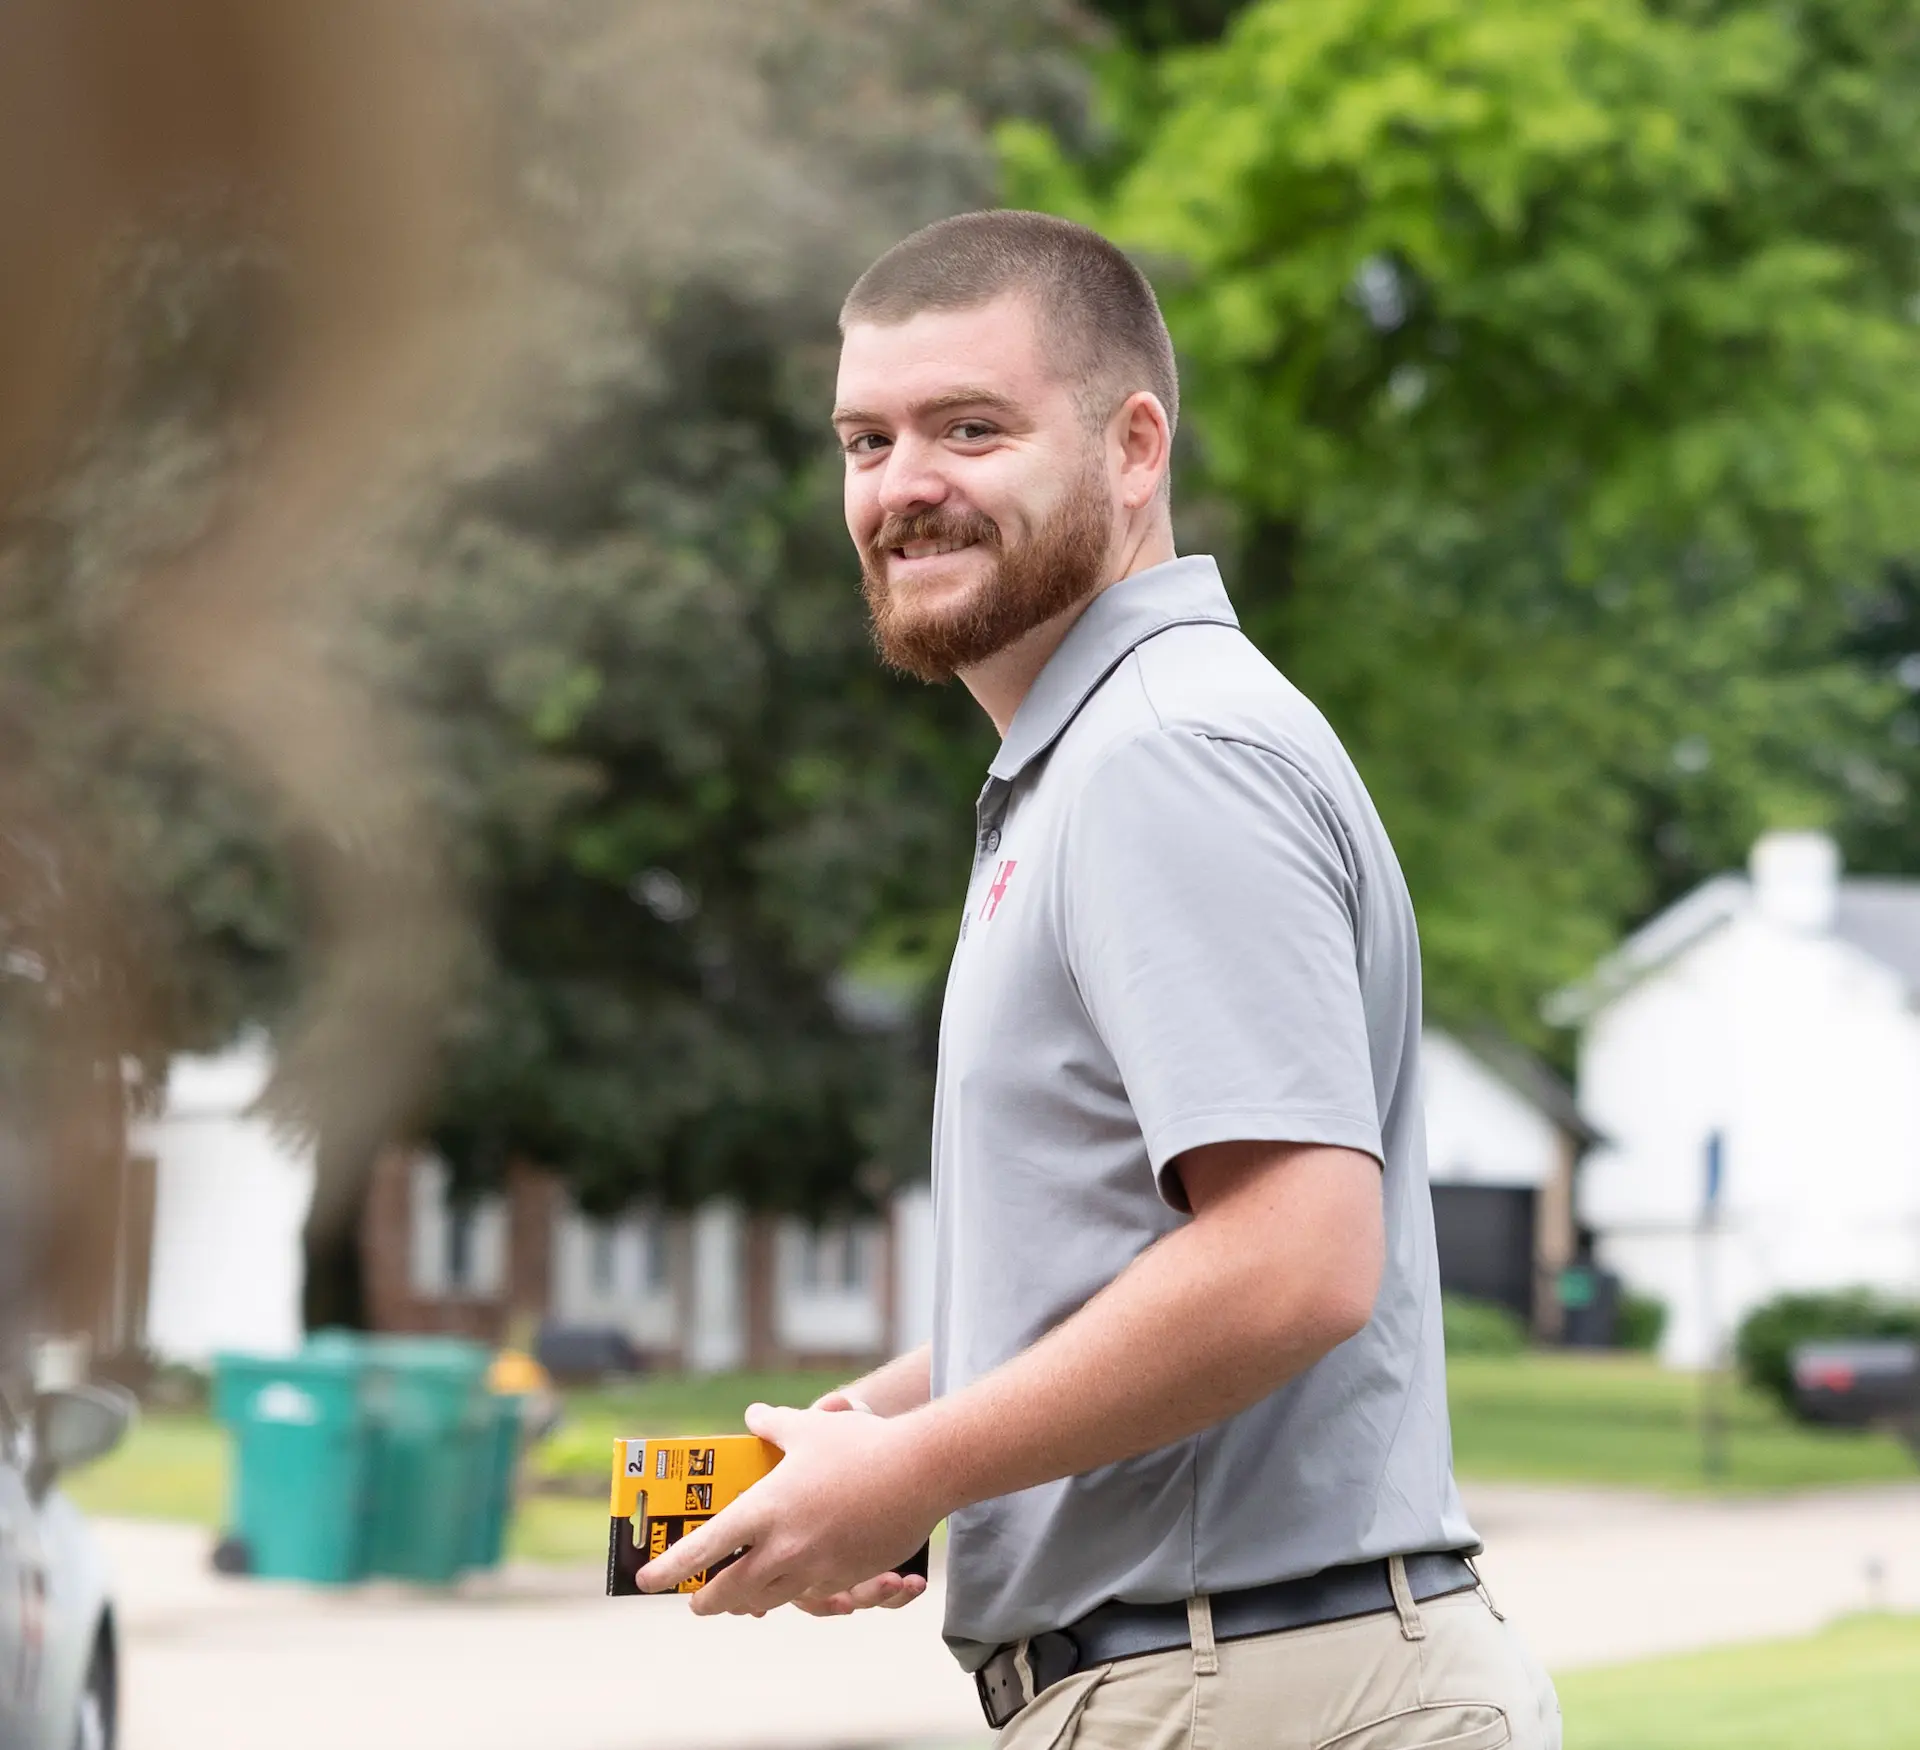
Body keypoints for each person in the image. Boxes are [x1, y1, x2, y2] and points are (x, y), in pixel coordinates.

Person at [638, 210, 1563, 1750]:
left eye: (970, 427)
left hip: (1255, 1689)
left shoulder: (1165, 756)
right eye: (865, 440)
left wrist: (925, 1472)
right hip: (1225, 1681)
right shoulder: (1094, 763)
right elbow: (1159, 1249)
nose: (901, 485)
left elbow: (1292, 1257)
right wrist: (892, 1437)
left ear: (1136, 447)